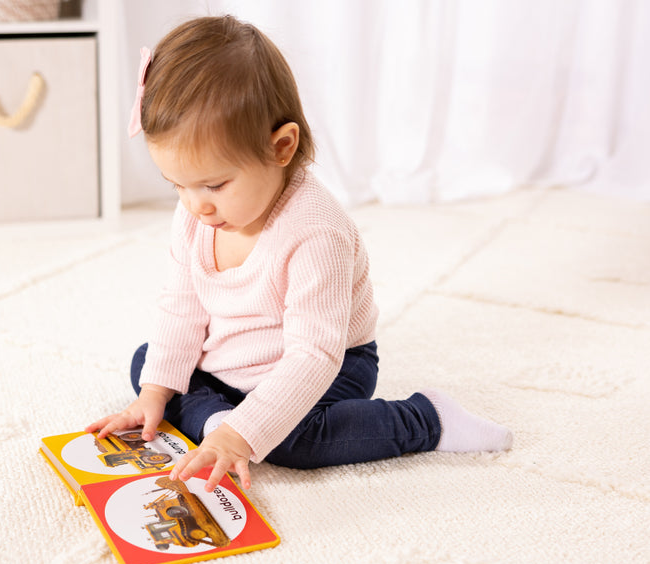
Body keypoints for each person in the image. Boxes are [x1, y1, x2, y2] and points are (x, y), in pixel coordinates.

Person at [87, 15, 512, 492]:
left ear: (281, 147)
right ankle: (219, 423)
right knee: (149, 365)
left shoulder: (315, 232)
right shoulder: (196, 213)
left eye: (214, 184)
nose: (194, 204)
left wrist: (246, 432)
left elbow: (314, 354)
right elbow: (180, 309)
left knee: (296, 441)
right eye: (177, 185)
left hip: (327, 364)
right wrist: (153, 393)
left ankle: (426, 420)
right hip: (234, 356)